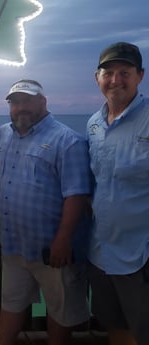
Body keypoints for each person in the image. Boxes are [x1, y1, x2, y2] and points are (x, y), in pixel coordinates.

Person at [0, 80, 92, 345]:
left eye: (27, 101)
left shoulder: (68, 141)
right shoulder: (3, 134)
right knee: (11, 303)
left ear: (43, 103)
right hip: (13, 245)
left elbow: (77, 194)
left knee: (60, 310)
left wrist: (63, 239)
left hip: (53, 249)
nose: (21, 108)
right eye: (15, 102)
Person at [87, 42, 149, 345]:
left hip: (142, 254)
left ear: (140, 76)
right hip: (102, 251)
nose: (115, 80)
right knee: (116, 328)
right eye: (108, 73)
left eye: (124, 72)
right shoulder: (93, 125)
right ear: (97, 78)